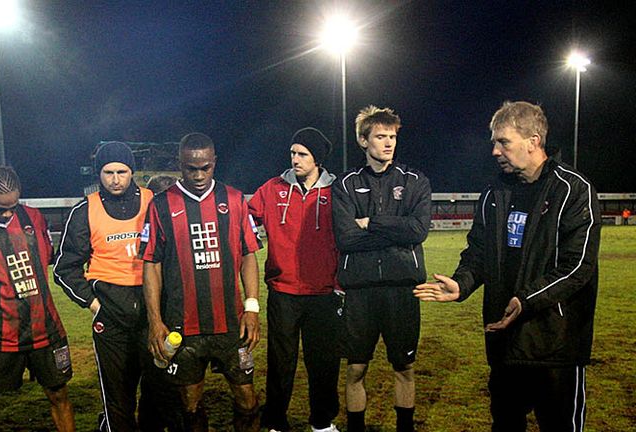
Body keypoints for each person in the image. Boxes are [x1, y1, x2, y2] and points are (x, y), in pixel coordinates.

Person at [414, 101, 601, 431]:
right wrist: (463, 283)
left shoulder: (572, 190)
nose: (495, 151)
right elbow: (479, 252)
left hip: (554, 345)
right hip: (503, 340)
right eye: (494, 142)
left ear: (533, 140)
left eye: (503, 142)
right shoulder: (494, 191)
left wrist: (526, 301)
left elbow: (577, 267)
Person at [140, 132, 263, 431]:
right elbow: (151, 265)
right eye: (190, 168)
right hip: (184, 326)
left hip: (231, 322)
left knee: (247, 398)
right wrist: (155, 321)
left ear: (215, 163)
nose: (198, 175)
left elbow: (248, 255)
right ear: (179, 164)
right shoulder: (160, 205)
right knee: (191, 404)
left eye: (205, 167)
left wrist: (252, 308)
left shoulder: (234, 200)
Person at [54, 142, 177, 432]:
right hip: (111, 318)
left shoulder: (155, 202)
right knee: (118, 395)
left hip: (154, 313)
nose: (115, 178)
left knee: (158, 388)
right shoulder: (85, 210)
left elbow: (172, 256)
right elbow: (65, 269)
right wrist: (96, 305)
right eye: (108, 172)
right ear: (99, 174)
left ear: (132, 171)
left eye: (122, 171)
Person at [0, 166, 75, 432]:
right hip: (0, 338)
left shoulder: (33, 217)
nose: (9, 212)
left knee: (59, 396)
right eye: (0, 208)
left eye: (13, 205)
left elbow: (46, 259)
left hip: (46, 330)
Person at [332, 106, 431, 432]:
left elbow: (418, 231)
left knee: (404, 367)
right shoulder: (345, 184)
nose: (388, 143)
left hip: (403, 289)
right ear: (364, 140)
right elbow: (346, 238)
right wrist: (394, 233)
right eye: (380, 137)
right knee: (356, 369)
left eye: (392, 137)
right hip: (360, 291)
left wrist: (371, 223)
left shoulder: (415, 181)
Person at [248, 127, 341, 432]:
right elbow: (247, 219)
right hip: (283, 291)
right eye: (293, 152)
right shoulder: (273, 188)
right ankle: (275, 421)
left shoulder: (335, 191)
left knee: (323, 361)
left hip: (323, 292)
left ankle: (322, 421)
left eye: (302, 154)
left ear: (317, 159)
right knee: (280, 362)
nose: (295, 159)